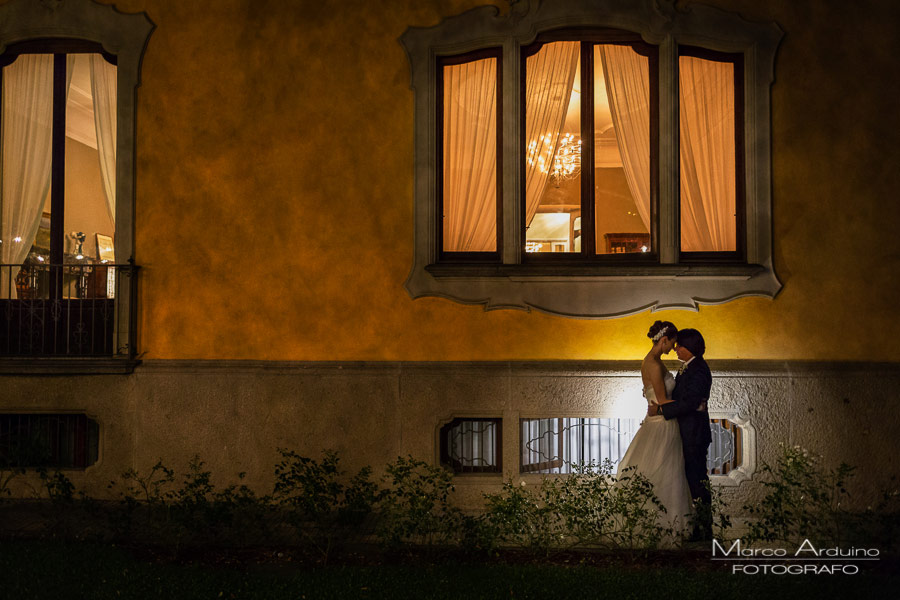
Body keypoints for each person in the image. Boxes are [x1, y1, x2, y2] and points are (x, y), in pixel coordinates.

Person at [616, 321, 693, 534]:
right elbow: (661, 400)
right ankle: (664, 526)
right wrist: (692, 405)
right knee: (665, 474)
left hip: (661, 421)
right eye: (672, 343)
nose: (673, 348)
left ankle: (665, 524)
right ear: (664, 340)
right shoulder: (654, 364)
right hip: (662, 424)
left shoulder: (653, 361)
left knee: (666, 475)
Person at [647, 328, 713, 540]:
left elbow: (692, 402)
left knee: (697, 480)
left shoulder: (699, 370)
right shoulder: (687, 368)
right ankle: (695, 525)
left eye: (679, 346)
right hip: (684, 430)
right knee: (688, 479)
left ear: (689, 348)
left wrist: (661, 409)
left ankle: (704, 529)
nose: (675, 349)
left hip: (694, 434)